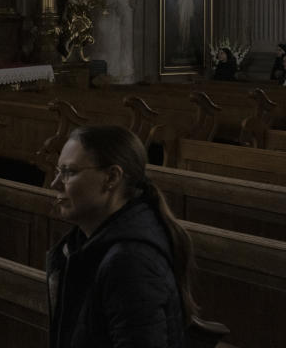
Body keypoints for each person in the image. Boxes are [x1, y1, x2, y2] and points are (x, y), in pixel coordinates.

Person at [47, 125, 197, 348]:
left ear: (112, 177)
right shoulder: (87, 242)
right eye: (58, 171)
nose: (55, 183)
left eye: (69, 172)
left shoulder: (130, 262)